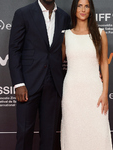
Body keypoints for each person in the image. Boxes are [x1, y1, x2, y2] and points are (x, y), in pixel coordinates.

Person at [8, 0, 70, 149]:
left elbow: (69, 50)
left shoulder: (64, 17)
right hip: (28, 83)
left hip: (54, 83)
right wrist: (19, 83)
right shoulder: (23, 14)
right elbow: (14, 50)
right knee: (24, 133)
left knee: (49, 136)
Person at [61, 0, 113, 149]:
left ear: (91, 10)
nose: (83, 9)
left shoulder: (100, 34)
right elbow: (55, 62)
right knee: (73, 133)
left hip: (94, 92)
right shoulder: (66, 36)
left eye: (86, 6)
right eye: (79, 5)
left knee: (98, 132)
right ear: (74, 9)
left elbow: (104, 63)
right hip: (72, 92)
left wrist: (105, 92)